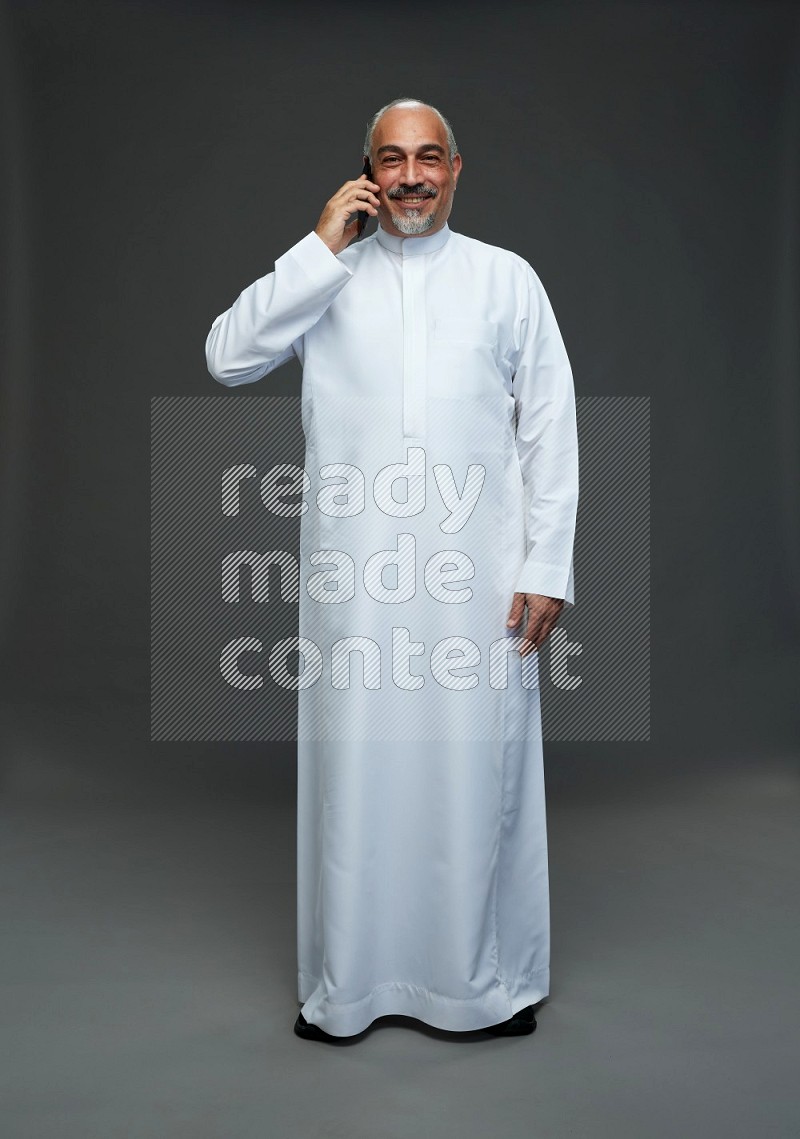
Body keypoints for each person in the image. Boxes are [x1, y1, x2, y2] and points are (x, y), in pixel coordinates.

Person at [205, 98, 579, 1042]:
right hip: (354, 582)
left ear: (458, 167)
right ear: (366, 171)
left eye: (428, 158)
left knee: (474, 770)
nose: (411, 176)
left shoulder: (507, 281)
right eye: (390, 159)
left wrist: (547, 564)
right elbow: (226, 358)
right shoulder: (326, 277)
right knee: (357, 776)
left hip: (480, 585)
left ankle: (480, 987)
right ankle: (350, 986)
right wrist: (317, 248)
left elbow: (551, 431)